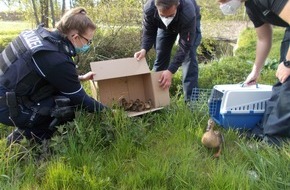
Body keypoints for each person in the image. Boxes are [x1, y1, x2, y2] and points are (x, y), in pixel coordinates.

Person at [0, 7, 107, 145]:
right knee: (66, 106)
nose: (88, 45)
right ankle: (24, 141)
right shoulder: (55, 58)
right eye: (88, 41)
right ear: (75, 37)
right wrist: (111, 112)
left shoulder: (38, 34)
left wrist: (79, 78)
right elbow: (80, 99)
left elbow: (40, 73)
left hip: (7, 91)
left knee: (60, 93)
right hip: (6, 106)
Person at [217, 0, 290, 146]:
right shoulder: (252, 7)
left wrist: (288, 63)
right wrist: (255, 71)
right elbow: (263, 39)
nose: (222, 5)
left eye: (223, 0)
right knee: (282, 82)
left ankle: (275, 141)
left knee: (288, 86)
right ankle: (263, 130)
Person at [134, 0, 202, 102]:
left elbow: (185, 46)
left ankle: (191, 102)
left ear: (177, 5)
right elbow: (149, 32)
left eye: (170, 15)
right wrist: (144, 49)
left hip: (186, 23)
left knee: (189, 58)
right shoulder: (149, 8)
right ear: (156, 7)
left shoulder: (188, 12)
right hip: (163, 27)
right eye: (163, 15)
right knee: (161, 54)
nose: (166, 19)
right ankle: (157, 99)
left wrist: (171, 70)